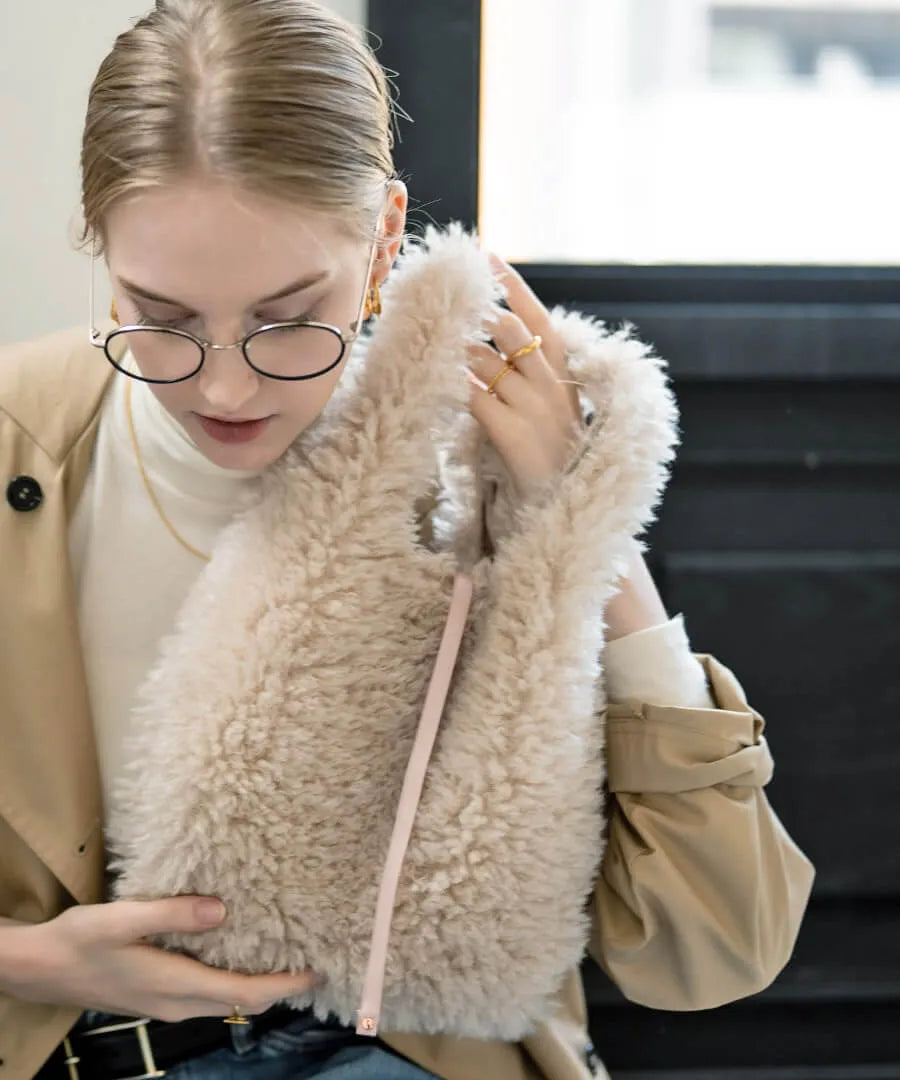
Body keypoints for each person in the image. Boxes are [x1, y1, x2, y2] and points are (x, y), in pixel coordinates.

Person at [0, 1, 814, 1078]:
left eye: (292, 316)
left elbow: (713, 951)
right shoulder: (27, 437)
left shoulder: (476, 462)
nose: (229, 382)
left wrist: (583, 525)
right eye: (163, 316)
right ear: (101, 246)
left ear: (386, 238)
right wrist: (26, 963)